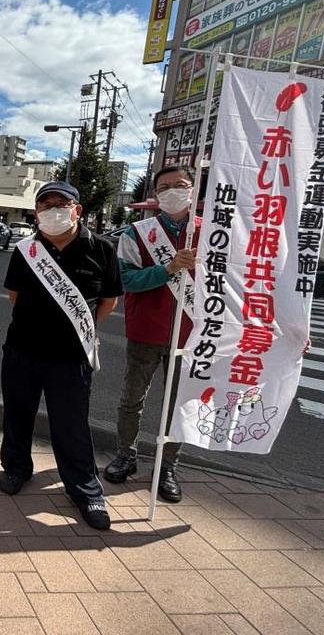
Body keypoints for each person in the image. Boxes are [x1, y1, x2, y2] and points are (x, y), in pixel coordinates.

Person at [0, 181, 122, 530]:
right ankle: (16, 468)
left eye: (61, 203)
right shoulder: (26, 250)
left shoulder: (101, 249)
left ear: (77, 209)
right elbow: (14, 296)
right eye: (45, 205)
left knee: (71, 424)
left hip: (71, 357)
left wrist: (73, 329)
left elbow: (109, 301)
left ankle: (84, 489)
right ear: (37, 214)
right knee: (17, 414)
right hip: (22, 350)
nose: (53, 210)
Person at [105, 166, 198, 503]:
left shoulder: (213, 232)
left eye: (180, 185)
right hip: (146, 331)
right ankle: (125, 455)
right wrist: (168, 269)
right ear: (155, 194)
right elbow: (127, 280)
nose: (172, 191)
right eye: (164, 187)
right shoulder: (137, 233)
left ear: (192, 189)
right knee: (132, 399)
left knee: (179, 406)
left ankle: (167, 465)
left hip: (191, 336)